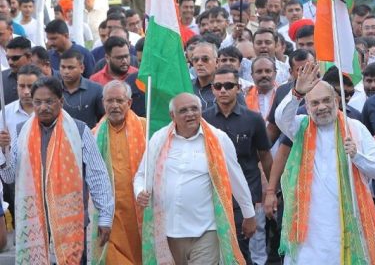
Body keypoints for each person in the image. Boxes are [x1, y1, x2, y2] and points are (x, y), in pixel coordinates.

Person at [274, 62, 375, 264]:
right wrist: (297, 93)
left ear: (337, 100)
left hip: (347, 221)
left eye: (326, 100)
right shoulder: (300, 127)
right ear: (306, 107)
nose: (322, 107)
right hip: (309, 227)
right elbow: (281, 118)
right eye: (315, 103)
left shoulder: (355, 128)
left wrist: (357, 156)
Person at [0, 77, 114, 264]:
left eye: (49, 101)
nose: (43, 107)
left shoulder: (79, 130)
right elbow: (9, 176)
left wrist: (105, 218)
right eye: (38, 102)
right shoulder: (21, 131)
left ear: (61, 101)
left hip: (71, 222)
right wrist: (2, 151)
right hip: (35, 222)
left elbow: (98, 175)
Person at [134, 93, 256, 265]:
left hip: (206, 231)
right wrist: (140, 191)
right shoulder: (158, 139)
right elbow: (142, 175)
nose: (190, 114)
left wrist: (248, 214)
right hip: (168, 233)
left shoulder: (218, 139)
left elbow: (236, 178)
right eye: (183, 110)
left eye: (194, 109)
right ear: (172, 115)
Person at [203, 68, 273, 265]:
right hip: (213, 195)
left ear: (238, 88)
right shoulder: (202, 119)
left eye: (228, 86)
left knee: (243, 249)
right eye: (218, 86)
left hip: (246, 196)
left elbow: (265, 156)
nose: (223, 90)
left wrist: (272, 191)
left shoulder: (253, 119)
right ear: (213, 89)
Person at [89, 80, 147, 264]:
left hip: (139, 209)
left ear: (129, 103)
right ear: (103, 103)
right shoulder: (94, 135)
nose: (114, 105)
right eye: (110, 101)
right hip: (109, 214)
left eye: (119, 101)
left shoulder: (146, 128)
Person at [60, 49, 105, 129]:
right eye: (63, 67)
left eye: (71, 68)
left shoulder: (96, 89)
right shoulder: (54, 90)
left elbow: (103, 119)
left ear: (81, 68)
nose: (66, 71)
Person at [1, 36, 31, 104]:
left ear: (29, 57)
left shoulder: (42, 78)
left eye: (15, 58)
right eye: (8, 58)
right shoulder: (1, 79)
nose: (10, 62)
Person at [191, 41, 219, 111]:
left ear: (217, 62)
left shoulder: (229, 87)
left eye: (205, 59)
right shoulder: (186, 87)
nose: (199, 63)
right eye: (195, 60)